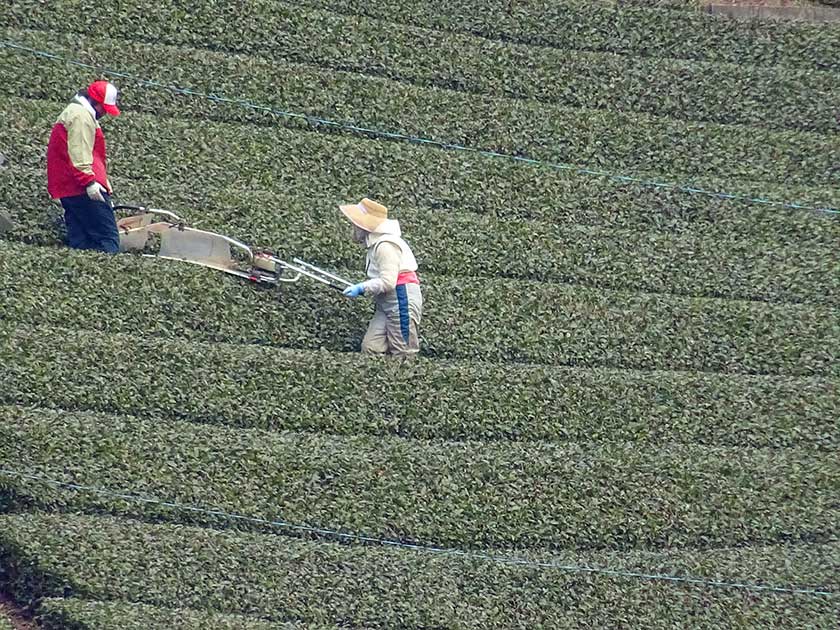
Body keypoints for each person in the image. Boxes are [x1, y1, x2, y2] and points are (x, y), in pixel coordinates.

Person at [339, 198, 423, 358]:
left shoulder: (386, 245)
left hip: (400, 298)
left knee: (403, 352)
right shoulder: (375, 245)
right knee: (372, 347)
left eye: (355, 224)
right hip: (386, 302)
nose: (353, 227)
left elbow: (388, 282)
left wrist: (362, 287)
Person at [46, 80, 121, 253]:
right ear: (94, 102)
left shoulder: (78, 112)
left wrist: (103, 178)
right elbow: (78, 152)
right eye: (104, 108)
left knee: (82, 241)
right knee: (108, 239)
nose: (105, 113)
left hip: (69, 187)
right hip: (80, 187)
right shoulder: (81, 116)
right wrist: (89, 182)